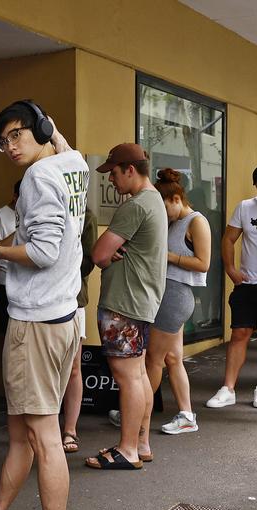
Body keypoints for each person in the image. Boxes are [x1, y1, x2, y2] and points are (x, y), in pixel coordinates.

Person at [0, 99, 88, 510]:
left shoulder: (39, 178)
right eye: (3, 141)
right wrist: (51, 129)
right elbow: (63, 144)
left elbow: (41, 251)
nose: (9, 147)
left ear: (37, 129)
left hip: (36, 321)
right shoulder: (71, 162)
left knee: (43, 435)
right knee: (22, 434)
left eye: (16, 134)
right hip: (61, 316)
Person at [85, 143, 167, 468]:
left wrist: (108, 254)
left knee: (128, 377)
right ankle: (141, 444)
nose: (112, 182)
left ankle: (128, 449)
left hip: (124, 302)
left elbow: (99, 254)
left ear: (129, 170)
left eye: (114, 174)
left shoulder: (135, 205)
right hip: (141, 300)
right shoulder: (155, 200)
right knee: (139, 375)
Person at [206, 164, 257, 409]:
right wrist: (231, 270)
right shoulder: (245, 206)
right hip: (248, 282)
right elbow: (228, 239)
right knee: (239, 333)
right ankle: (228, 387)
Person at [146, 169, 210, 435]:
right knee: (173, 358)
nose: (164, 215)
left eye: (165, 209)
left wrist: (168, 256)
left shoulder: (196, 221)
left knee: (153, 358)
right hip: (168, 294)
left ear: (175, 198)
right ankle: (186, 415)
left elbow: (203, 263)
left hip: (176, 295)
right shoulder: (173, 222)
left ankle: (137, 412)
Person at [60, 209, 98, 453]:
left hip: (74, 298)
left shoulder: (86, 214)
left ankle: (69, 429)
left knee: (73, 367)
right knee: (51, 369)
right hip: (41, 300)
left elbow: (89, 261)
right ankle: (48, 428)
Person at [0, 181, 21, 335]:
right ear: (15, 197)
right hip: (4, 281)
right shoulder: (0, 216)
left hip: (25, 281)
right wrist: (19, 232)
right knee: (6, 329)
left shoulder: (32, 215)